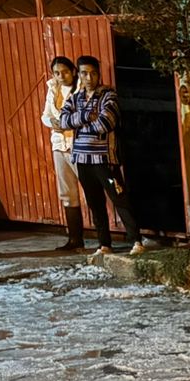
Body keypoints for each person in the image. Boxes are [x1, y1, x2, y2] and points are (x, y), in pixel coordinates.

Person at [59, 55, 145, 255]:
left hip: (104, 159)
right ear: (79, 75)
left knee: (119, 198)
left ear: (99, 74)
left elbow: (105, 123)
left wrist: (78, 122)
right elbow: (63, 122)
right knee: (94, 202)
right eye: (84, 73)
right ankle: (104, 244)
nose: (89, 78)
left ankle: (136, 241)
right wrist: (86, 116)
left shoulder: (109, 95)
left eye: (93, 73)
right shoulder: (75, 97)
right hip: (82, 158)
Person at [41, 55, 83, 251]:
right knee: (67, 192)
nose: (61, 76)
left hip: (78, 145)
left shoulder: (81, 87)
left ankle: (104, 239)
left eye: (65, 72)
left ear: (73, 71)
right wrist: (53, 123)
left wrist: (66, 124)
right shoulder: (52, 89)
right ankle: (75, 239)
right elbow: (45, 116)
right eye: (57, 73)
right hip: (59, 144)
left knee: (91, 189)